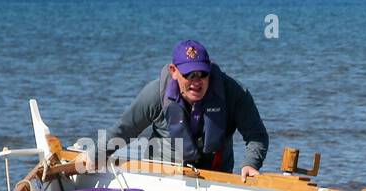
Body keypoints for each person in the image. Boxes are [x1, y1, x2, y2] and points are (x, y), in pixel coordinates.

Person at [104, 39, 268, 180]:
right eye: (189, 74)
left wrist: (250, 163)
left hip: (217, 178)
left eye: (202, 74)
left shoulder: (234, 93)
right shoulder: (155, 94)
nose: (196, 82)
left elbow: (256, 135)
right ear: (173, 71)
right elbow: (124, 129)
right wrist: (95, 154)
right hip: (163, 177)